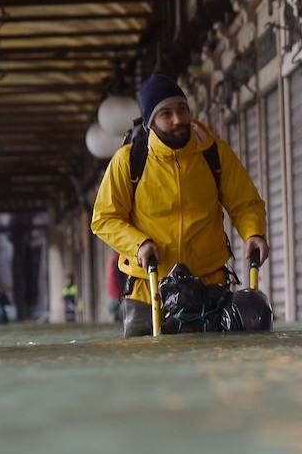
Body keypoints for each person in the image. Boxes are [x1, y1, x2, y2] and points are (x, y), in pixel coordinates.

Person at [91, 74, 269, 336]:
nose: (178, 119)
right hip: (148, 291)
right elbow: (104, 218)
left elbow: (245, 202)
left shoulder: (213, 153)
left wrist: (253, 232)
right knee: (147, 370)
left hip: (209, 288)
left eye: (182, 109)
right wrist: (138, 243)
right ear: (151, 122)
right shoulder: (128, 161)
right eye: (166, 113)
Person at [106, 251, 124, 324]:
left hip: (111, 296)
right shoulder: (118, 261)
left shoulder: (112, 261)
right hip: (117, 296)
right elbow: (120, 279)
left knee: (114, 321)